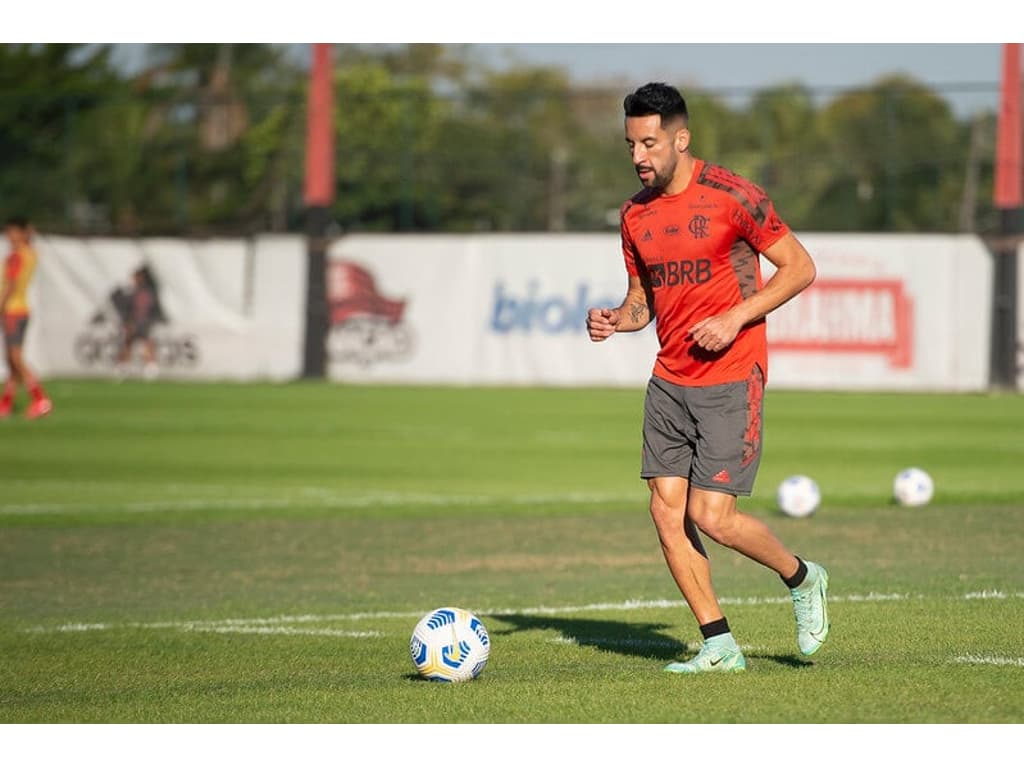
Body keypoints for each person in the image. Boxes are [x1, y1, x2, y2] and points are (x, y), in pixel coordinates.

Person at [587, 82, 828, 674]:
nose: (639, 156)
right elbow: (642, 303)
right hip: (670, 379)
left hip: (731, 375)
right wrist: (617, 320)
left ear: (680, 137)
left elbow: (800, 268)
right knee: (666, 512)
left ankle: (802, 576)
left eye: (649, 142)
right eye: (630, 145)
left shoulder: (732, 195)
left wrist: (736, 316)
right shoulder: (634, 215)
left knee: (711, 517)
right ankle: (718, 642)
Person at [0, 216, 52, 420]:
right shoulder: (31, 253)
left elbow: (10, 284)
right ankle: (6, 403)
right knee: (12, 360)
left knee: (15, 358)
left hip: (12, 310)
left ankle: (40, 399)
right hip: (21, 309)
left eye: (13, 231)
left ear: (21, 233)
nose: (9, 235)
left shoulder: (16, 256)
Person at [116, 265, 165, 380]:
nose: (133, 279)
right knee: (128, 344)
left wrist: (153, 321)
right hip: (135, 322)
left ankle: (150, 367)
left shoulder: (148, 291)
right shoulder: (135, 291)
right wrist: (127, 322)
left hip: (143, 323)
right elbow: (128, 309)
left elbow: (153, 309)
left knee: (145, 344)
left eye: (135, 277)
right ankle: (124, 367)